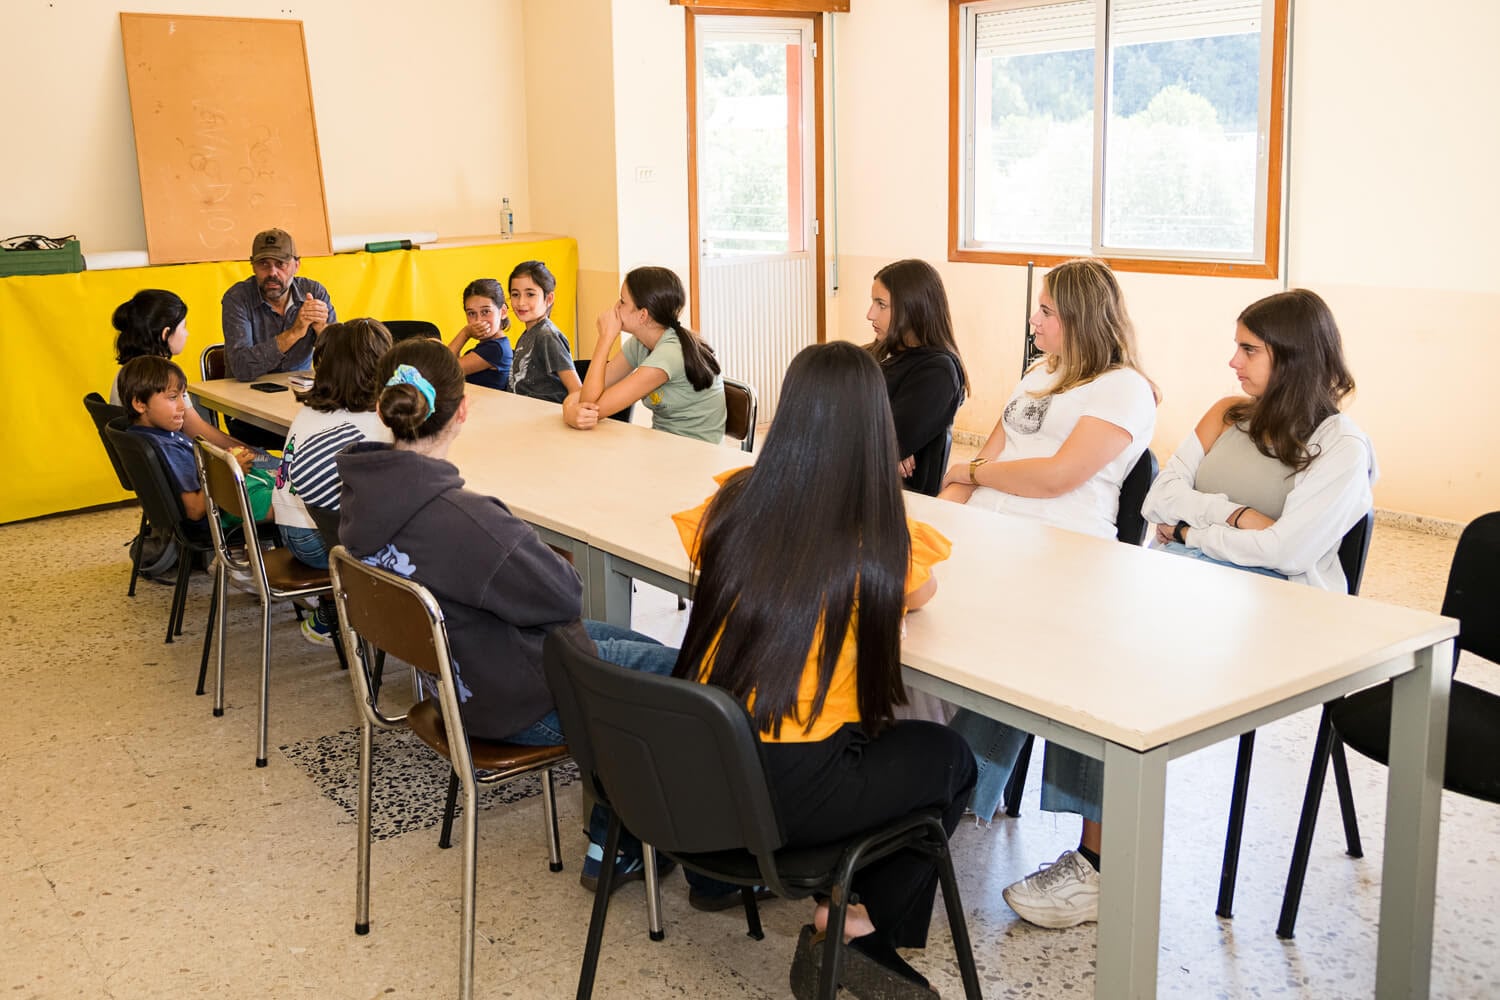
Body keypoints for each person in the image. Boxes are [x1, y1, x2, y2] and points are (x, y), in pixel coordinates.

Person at [994, 288, 1377, 934]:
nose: (1233, 362)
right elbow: (1158, 502)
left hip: (1279, 624)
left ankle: (1098, 864)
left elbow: (1288, 551)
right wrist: (1232, 517)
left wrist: (1197, 530)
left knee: (1110, 662)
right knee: (1071, 630)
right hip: (1186, 589)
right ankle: (990, 812)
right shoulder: (1227, 415)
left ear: (1295, 358)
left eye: (1249, 349)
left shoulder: (1342, 447)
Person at [669, 342, 974, 998]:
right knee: (949, 757)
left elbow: (705, 542)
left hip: (709, 766)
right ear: (876, 429)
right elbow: (920, 594)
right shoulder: (875, 528)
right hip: (795, 788)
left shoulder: (730, 502)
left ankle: (843, 919)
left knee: (884, 734)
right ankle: (857, 925)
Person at [334, 337, 679, 886]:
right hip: (518, 702)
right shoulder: (464, 520)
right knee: (688, 675)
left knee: (647, 649)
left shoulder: (362, 496)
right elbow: (565, 593)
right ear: (464, 408)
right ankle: (626, 844)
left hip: (456, 684)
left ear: (382, 410)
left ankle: (623, 831)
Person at [934, 258, 1156, 927]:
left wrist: (972, 473)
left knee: (1061, 671)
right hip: (991, 546)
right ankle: (926, 787)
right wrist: (943, 520)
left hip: (1067, 558)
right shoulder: (1038, 376)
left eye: (1046, 311)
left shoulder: (1124, 389)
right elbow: (975, 468)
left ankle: (1085, 860)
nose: (1033, 321)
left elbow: (1059, 476)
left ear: (1082, 317)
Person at [272, 319, 395, 645]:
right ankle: (353, 612)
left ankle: (334, 606)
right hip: (317, 540)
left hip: (289, 527)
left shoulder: (313, 408)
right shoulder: (372, 423)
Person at [563, 266, 725, 443]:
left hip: (696, 454)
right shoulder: (640, 343)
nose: (615, 307)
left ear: (643, 315)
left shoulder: (669, 355)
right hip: (665, 444)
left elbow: (592, 409)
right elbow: (586, 397)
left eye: (622, 302)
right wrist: (569, 408)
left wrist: (605, 339)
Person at [119, 356, 269, 527]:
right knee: (291, 505)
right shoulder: (167, 447)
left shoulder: (149, 435)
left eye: (183, 396)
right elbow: (195, 510)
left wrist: (220, 463)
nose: (182, 406)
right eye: (173, 397)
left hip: (222, 503)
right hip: (222, 513)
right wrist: (229, 473)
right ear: (139, 404)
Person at [866, 259, 970, 496]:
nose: (870, 314)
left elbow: (880, 443)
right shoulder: (878, 351)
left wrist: (894, 446)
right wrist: (894, 444)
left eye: (881, 304)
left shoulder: (937, 372)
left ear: (913, 309)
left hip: (901, 499)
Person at [220, 228, 336, 382]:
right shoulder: (237, 298)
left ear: (297, 265)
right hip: (247, 394)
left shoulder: (314, 292)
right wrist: (294, 332)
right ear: (253, 266)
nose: (272, 273)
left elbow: (342, 362)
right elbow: (242, 368)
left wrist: (323, 331)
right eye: (263, 264)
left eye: (281, 264)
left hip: (301, 391)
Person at [505, 261, 582, 402]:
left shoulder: (547, 336)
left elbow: (576, 390)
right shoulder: (528, 334)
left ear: (549, 298)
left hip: (543, 418)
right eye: (515, 295)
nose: (521, 302)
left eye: (530, 294)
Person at [446, 278, 513, 391]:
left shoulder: (495, 349)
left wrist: (465, 333)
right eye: (472, 313)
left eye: (485, 312)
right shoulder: (488, 346)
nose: (479, 320)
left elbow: (443, 370)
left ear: (503, 312)